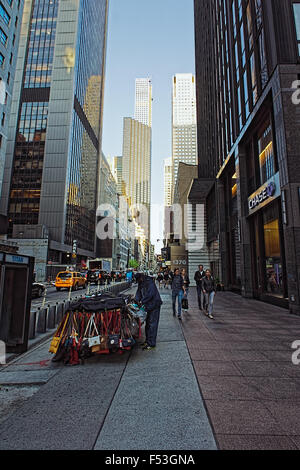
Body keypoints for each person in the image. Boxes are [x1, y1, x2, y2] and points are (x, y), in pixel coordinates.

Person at [134, 273, 163, 351]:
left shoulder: (149, 282)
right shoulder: (141, 282)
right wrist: (136, 300)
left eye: (138, 280)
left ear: (141, 277)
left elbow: (150, 294)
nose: (138, 282)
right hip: (148, 306)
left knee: (152, 324)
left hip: (155, 305)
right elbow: (139, 293)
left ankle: (152, 344)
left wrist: (142, 301)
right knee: (148, 325)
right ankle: (147, 341)